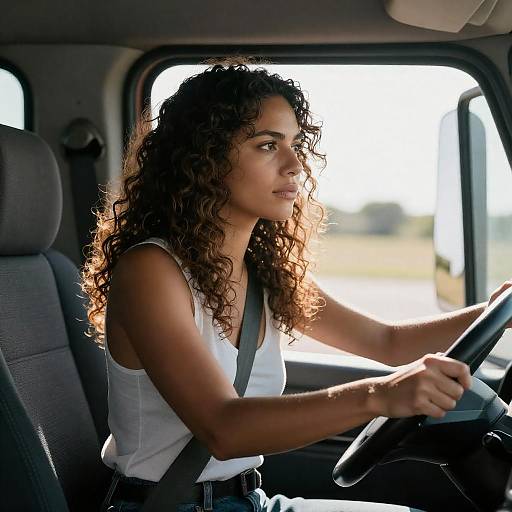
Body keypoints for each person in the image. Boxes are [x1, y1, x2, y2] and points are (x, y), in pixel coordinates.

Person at [81, 57, 503, 512]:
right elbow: (224, 428)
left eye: (296, 144)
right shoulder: (151, 270)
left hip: (250, 501)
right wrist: (378, 394)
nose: (295, 164)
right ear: (203, 157)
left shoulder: (262, 272)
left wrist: (495, 312)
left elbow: (387, 340)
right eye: (267, 145)